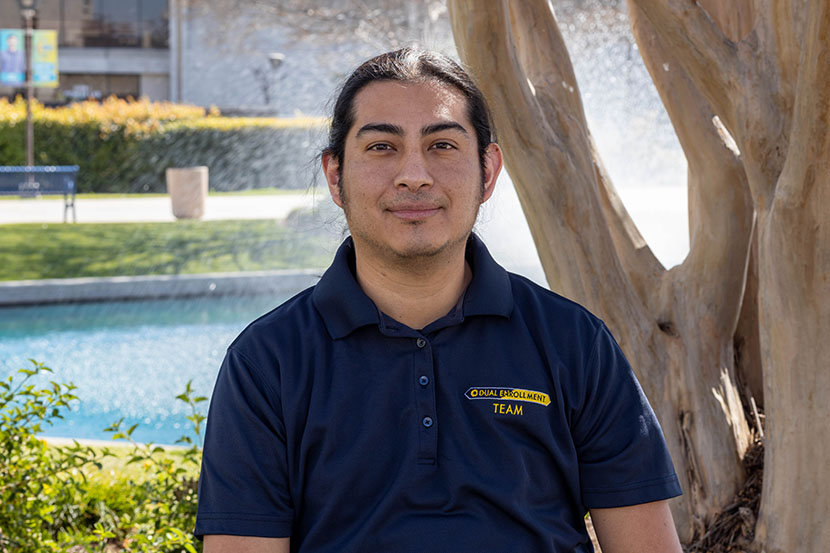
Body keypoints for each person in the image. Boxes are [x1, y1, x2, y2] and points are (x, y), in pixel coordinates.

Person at [195, 48, 683, 553]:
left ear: (488, 172)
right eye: (382, 147)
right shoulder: (267, 362)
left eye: (443, 145)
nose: (414, 175)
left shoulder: (575, 343)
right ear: (335, 175)